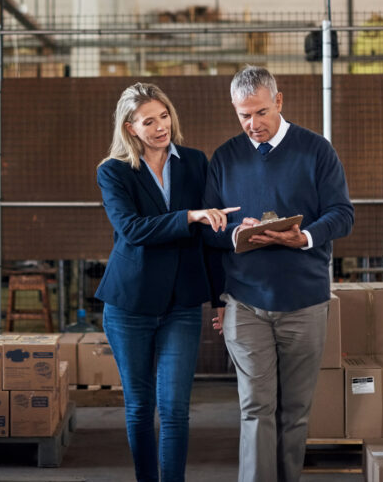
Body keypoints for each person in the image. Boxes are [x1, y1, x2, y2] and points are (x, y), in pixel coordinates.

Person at [203, 66, 353, 482]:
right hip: (245, 303)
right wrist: (237, 232)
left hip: (305, 302)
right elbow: (209, 228)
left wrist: (302, 236)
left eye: (261, 113)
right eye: (243, 115)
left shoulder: (317, 151)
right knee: (255, 407)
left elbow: (343, 215)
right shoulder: (225, 158)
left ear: (280, 102)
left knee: (295, 411)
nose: (253, 124)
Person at [96, 82, 237, 482]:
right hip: (129, 304)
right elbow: (132, 229)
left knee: (175, 408)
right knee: (140, 406)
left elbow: (210, 239)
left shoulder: (194, 162)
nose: (160, 126)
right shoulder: (113, 171)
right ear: (130, 127)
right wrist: (190, 216)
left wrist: (219, 297)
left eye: (164, 116)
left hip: (182, 304)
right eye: (148, 121)